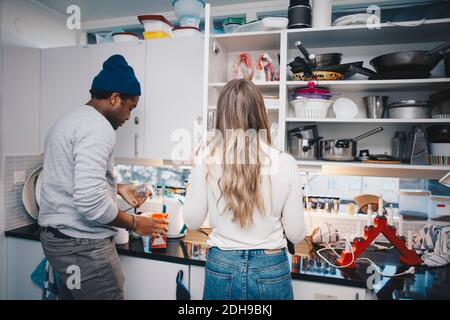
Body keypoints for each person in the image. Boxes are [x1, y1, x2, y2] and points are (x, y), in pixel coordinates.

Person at [38, 55, 169, 300]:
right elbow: (90, 202)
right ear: (115, 98)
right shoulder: (99, 128)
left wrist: (117, 188)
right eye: (130, 107)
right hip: (84, 247)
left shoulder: (71, 119)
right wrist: (134, 223)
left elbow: (71, 179)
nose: (128, 116)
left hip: (59, 242)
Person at [183, 79, 306, 300]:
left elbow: (191, 222)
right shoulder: (285, 162)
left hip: (222, 265)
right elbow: (296, 234)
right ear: (260, 114)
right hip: (271, 267)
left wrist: (195, 167)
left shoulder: (207, 160)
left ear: (221, 115)